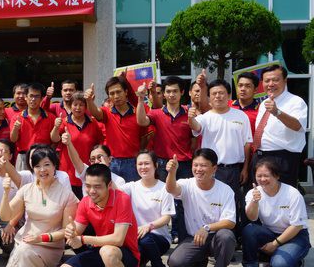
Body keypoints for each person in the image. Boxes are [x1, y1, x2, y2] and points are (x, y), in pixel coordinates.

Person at [54, 164, 139, 267]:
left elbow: (118, 239)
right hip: (101, 253)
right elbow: (77, 230)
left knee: (108, 251)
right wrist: (71, 232)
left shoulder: (122, 199)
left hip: (126, 257)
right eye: (88, 186)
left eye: (97, 187)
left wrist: (83, 239)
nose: (91, 191)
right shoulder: (86, 202)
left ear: (109, 185)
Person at [0, 148, 78, 267]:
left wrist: (41, 238)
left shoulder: (67, 195)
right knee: (23, 250)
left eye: (46, 164)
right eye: (37, 166)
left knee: (24, 252)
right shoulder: (26, 189)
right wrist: (6, 192)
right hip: (26, 240)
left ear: (55, 166)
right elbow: (5, 216)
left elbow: (65, 231)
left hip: (50, 245)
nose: (42, 170)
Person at [166, 148, 236, 267]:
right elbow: (171, 189)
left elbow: (230, 222)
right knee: (175, 263)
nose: (198, 169)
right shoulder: (187, 184)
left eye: (203, 165)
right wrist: (172, 172)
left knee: (227, 236)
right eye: (195, 165)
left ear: (214, 168)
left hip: (216, 237)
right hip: (194, 239)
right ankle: (199, 264)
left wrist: (207, 228)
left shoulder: (225, 190)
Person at [189, 80, 252, 238]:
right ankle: (212, 237)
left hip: (234, 169)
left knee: (234, 203)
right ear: (209, 97)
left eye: (221, 93)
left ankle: (231, 238)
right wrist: (190, 118)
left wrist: (245, 168)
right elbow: (196, 127)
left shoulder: (241, 116)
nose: (218, 96)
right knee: (213, 204)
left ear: (229, 95)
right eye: (214, 93)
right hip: (212, 170)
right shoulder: (205, 117)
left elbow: (247, 144)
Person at [136, 76, 193, 243]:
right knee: (165, 199)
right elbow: (141, 121)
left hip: (184, 164)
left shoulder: (189, 113)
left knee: (182, 201)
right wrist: (141, 98)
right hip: (162, 163)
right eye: (168, 91)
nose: (171, 94)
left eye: (175, 91)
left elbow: (195, 138)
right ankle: (166, 234)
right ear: (164, 94)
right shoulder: (156, 113)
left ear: (182, 92)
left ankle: (181, 234)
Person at [241, 159, 310, 267]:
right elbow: (252, 217)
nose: (262, 179)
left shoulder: (292, 194)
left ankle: (296, 265)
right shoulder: (253, 193)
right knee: (249, 229)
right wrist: (254, 201)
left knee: (280, 265)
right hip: (271, 232)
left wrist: (274, 244)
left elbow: (297, 226)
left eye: (266, 176)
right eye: (259, 176)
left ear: (277, 176)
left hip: (295, 235)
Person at [120, 151, 174, 267]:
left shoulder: (164, 188)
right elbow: (113, 189)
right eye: (140, 164)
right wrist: (104, 167)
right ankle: (140, 264)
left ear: (156, 165)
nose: (143, 167)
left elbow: (166, 217)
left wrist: (149, 226)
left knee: (146, 239)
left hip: (159, 238)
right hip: (136, 238)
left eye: (147, 163)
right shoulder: (131, 187)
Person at [252, 64, 307, 188]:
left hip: (283, 158)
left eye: (275, 80)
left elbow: (298, 126)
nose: (270, 84)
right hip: (260, 156)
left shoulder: (296, 101)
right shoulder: (264, 104)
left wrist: (277, 112)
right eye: (267, 81)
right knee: (260, 195)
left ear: (285, 81)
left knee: (283, 195)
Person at [85, 78, 147, 181]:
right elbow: (96, 113)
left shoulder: (138, 113)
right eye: (112, 93)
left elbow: (145, 138)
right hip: (112, 162)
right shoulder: (107, 112)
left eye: (118, 92)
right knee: (111, 190)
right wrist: (89, 100)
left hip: (133, 162)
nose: (116, 96)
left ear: (126, 92)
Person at [50, 92, 104, 198]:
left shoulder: (93, 123)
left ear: (86, 107)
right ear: (70, 106)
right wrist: (56, 127)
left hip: (87, 171)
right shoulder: (64, 122)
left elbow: (100, 144)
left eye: (81, 105)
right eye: (75, 104)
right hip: (68, 171)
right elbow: (54, 138)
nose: (78, 108)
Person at [10, 83, 56, 170]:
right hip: (24, 157)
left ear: (42, 98)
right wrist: (16, 128)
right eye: (31, 96)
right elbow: (13, 139)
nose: (33, 99)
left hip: (44, 157)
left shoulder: (51, 117)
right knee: (22, 179)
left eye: (37, 96)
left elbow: (54, 141)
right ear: (26, 97)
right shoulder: (17, 117)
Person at [61, 138, 126, 194]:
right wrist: (69, 144)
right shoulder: (87, 173)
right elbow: (76, 161)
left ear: (109, 159)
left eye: (99, 157)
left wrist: (105, 172)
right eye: (93, 159)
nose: (96, 161)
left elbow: (119, 196)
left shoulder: (119, 180)